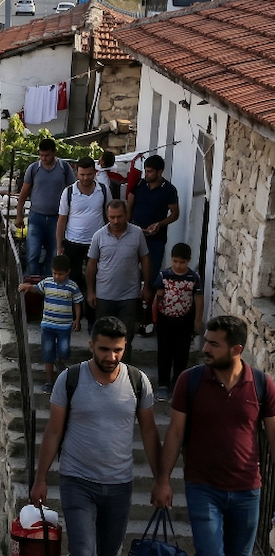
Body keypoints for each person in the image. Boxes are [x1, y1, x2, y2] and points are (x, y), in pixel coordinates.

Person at [31, 317, 161, 556]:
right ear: (91, 345)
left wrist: (161, 479)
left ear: (125, 347)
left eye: (117, 350)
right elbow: (53, 431)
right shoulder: (70, 379)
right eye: (104, 349)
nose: (110, 357)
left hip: (119, 485)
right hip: (77, 482)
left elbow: (150, 431)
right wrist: (41, 479)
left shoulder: (138, 382)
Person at [153, 316, 275, 556]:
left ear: (236, 349)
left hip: (248, 490)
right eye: (206, 340)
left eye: (213, 343)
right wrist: (163, 479)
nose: (205, 347)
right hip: (203, 487)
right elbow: (176, 432)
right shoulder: (190, 380)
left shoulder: (261, 384)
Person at [86, 200, 150, 357]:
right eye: (112, 217)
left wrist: (147, 286)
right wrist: (90, 291)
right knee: (103, 336)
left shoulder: (137, 234)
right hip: (104, 296)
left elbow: (145, 259)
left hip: (129, 296)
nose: (115, 221)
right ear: (107, 216)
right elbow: (91, 265)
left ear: (126, 215)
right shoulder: (98, 236)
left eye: (119, 217)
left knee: (126, 337)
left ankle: (125, 374)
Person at [128, 155, 180, 335]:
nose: (147, 174)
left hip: (155, 239)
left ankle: (147, 322)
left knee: (150, 280)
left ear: (160, 172)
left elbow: (175, 213)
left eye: (150, 172)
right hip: (135, 236)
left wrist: (160, 224)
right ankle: (130, 316)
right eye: (146, 171)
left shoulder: (169, 190)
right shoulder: (140, 185)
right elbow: (130, 203)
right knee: (130, 273)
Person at [56, 157, 110, 326]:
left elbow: (109, 216)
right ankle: (74, 315)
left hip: (96, 243)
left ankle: (93, 316)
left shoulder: (103, 189)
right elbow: (62, 220)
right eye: (82, 174)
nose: (85, 178)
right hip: (72, 242)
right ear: (77, 173)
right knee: (73, 279)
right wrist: (59, 246)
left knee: (95, 279)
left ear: (95, 172)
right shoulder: (69, 192)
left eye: (89, 174)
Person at [19, 254, 84, 393]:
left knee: (64, 350)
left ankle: (60, 361)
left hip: (64, 326)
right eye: (54, 273)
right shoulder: (47, 282)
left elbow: (77, 303)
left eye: (60, 274)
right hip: (48, 325)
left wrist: (77, 320)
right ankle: (49, 381)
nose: (57, 276)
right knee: (48, 354)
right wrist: (26, 286)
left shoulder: (72, 287)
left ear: (68, 272)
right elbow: (36, 289)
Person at [16, 138, 75, 277]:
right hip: (36, 217)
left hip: (57, 219)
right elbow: (23, 193)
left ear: (54, 152)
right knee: (32, 254)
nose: (43, 158)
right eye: (41, 155)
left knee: (53, 255)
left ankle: (49, 285)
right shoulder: (34, 168)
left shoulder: (64, 168)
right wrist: (19, 215)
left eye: (47, 155)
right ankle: (33, 284)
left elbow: (72, 192)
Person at [151, 243, 203, 398]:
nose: (178, 265)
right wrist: (153, 319)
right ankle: (163, 384)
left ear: (189, 261)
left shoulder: (193, 278)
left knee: (182, 353)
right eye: (175, 261)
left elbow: (198, 299)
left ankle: (179, 384)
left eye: (182, 262)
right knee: (164, 352)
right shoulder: (164, 275)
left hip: (185, 320)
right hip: (165, 320)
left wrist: (197, 320)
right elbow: (158, 297)